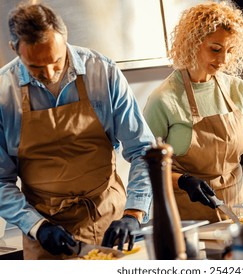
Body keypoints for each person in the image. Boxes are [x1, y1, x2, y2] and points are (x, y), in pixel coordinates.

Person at [0, 3, 155, 259]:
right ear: (14, 49)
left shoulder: (103, 73)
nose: (49, 73)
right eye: (36, 67)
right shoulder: (4, 94)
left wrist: (134, 214)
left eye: (57, 61)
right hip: (46, 234)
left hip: (110, 223)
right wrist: (38, 227)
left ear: (66, 37)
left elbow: (143, 150)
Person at [143, 1, 243, 223]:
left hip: (238, 213)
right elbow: (146, 166)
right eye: (215, 49)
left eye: (230, 51)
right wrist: (183, 181)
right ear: (193, 43)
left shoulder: (237, 90)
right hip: (188, 218)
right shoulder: (164, 100)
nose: (223, 60)